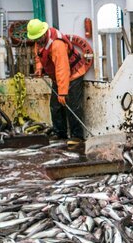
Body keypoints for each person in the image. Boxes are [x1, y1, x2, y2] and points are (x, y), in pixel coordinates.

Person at [26, 18, 87, 148]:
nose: (36, 41)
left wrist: (63, 92)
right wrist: (39, 68)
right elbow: (38, 55)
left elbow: (62, 69)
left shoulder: (57, 44)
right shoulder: (40, 41)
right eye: (35, 39)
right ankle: (60, 133)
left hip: (73, 74)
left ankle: (77, 136)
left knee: (73, 106)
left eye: (38, 38)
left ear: (44, 33)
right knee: (55, 106)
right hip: (57, 78)